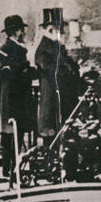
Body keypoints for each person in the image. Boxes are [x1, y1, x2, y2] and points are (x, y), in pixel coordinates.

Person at [35, 7, 83, 141]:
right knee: (53, 144)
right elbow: (54, 71)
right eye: (60, 30)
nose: (63, 33)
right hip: (52, 107)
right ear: (51, 30)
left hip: (61, 105)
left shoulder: (56, 48)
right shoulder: (44, 50)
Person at [0, 14, 34, 176]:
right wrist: (26, 69)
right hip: (13, 97)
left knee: (13, 133)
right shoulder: (8, 49)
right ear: (13, 31)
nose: (22, 32)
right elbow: (11, 72)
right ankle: (10, 169)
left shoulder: (15, 48)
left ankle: (11, 168)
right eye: (20, 30)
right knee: (12, 133)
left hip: (17, 96)